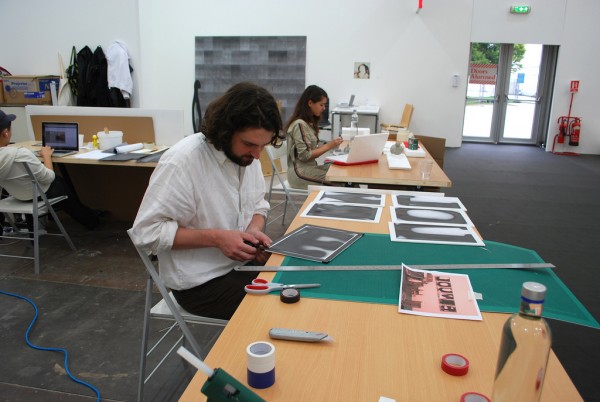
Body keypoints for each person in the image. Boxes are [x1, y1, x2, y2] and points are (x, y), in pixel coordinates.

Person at [130, 82, 284, 320]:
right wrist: (217, 238)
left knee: (306, 289)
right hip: (201, 285)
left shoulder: (247, 159)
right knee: (286, 309)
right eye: (249, 144)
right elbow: (146, 233)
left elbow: (258, 205)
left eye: (263, 146)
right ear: (226, 129)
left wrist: (253, 233)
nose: (256, 155)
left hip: (241, 267)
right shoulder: (183, 162)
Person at [0, 111, 100, 231]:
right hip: (36, 195)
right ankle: (92, 222)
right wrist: (46, 156)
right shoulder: (20, 154)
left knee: (34, 181)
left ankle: (35, 232)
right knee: (58, 182)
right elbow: (48, 177)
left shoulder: (11, 154)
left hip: (17, 195)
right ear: (6, 133)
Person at [285, 85, 343, 189]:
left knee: (342, 172)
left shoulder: (307, 124)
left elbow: (310, 151)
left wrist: (330, 145)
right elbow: (305, 156)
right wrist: (330, 145)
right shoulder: (300, 124)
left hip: (308, 169)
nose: (324, 108)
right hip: (299, 174)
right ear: (310, 103)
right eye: (321, 105)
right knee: (341, 181)